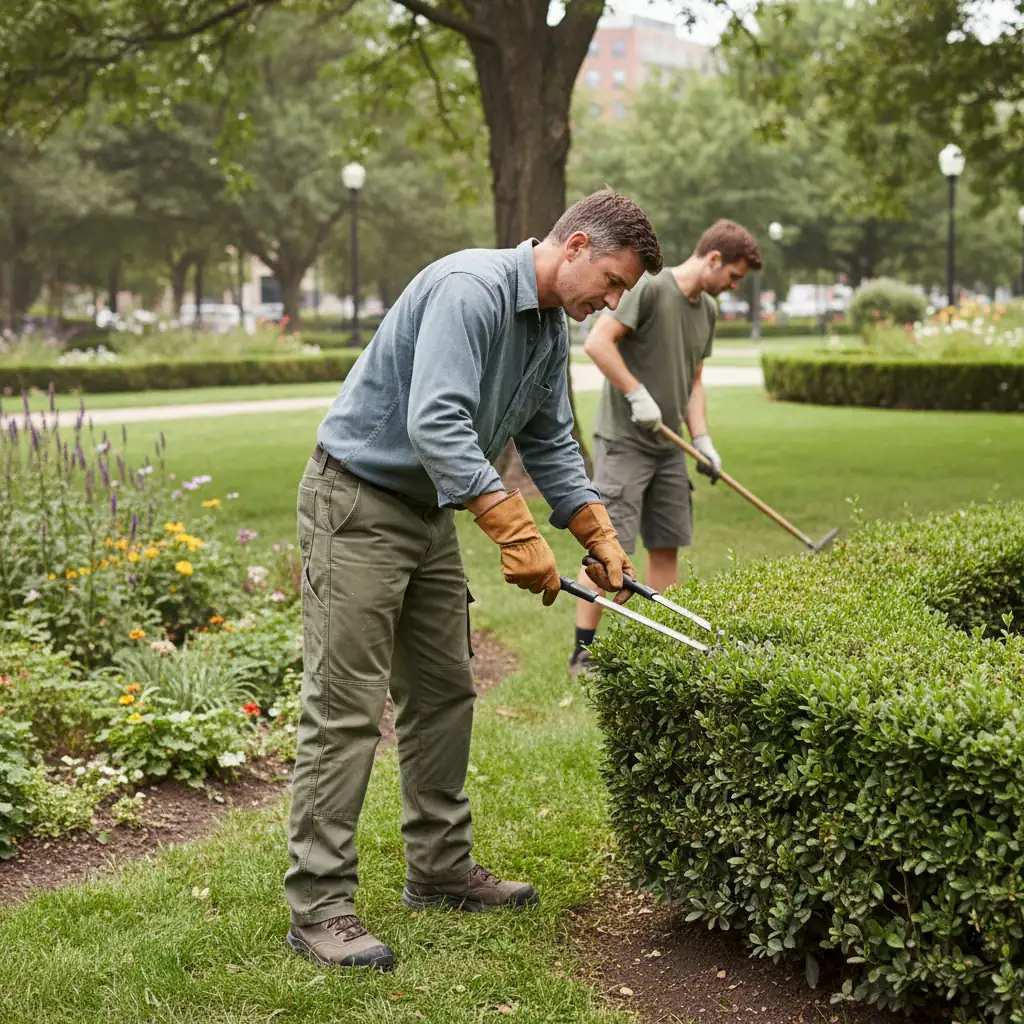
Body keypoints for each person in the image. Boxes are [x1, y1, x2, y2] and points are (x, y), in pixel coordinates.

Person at [284, 188, 662, 971]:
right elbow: (437, 421)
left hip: (428, 511)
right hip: (356, 501)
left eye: (623, 294)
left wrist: (596, 530)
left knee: (444, 691)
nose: (612, 302)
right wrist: (513, 528)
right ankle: (319, 906)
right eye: (614, 282)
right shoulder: (471, 289)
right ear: (577, 245)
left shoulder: (548, 330)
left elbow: (552, 441)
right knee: (346, 708)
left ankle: (440, 870)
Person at [567, 219, 762, 678]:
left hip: (669, 449)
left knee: (666, 545)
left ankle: (663, 646)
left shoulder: (707, 311)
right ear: (713, 258)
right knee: (606, 548)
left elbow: (694, 380)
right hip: (624, 443)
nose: (732, 287)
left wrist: (703, 440)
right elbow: (598, 343)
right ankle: (582, 651)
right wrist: (636, 394)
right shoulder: (651, 288)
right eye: (733, 277)